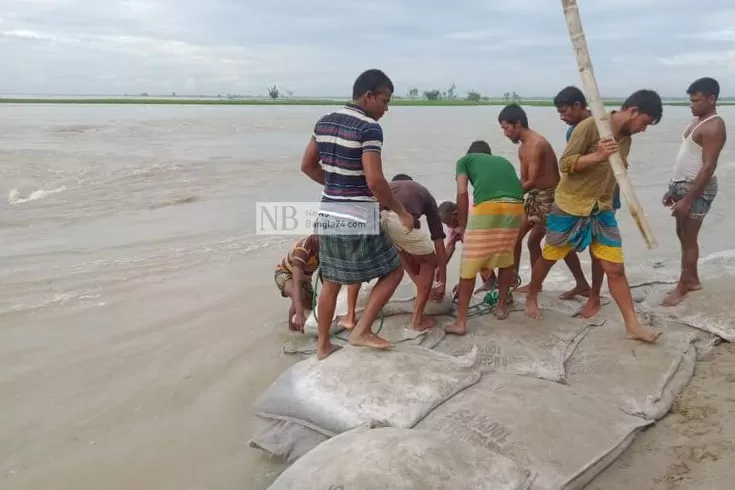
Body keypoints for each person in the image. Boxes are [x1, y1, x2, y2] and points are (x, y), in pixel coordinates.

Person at [523, 89, 664, 344]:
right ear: (634, 112)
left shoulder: (626, 139)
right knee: (549, 257)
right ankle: (532, 293)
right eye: (644, 123)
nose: (643, 129)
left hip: (602, 209)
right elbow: (566, 164)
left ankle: (632, 325)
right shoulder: (589, 127)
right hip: (569, 206)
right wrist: (597, 155)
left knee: (615, 269)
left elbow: (617, 172)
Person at [300, 68, 414, 360]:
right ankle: (362, 330)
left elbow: (308, 166)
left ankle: (323, 346)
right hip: (357, 215)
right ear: (368, 96)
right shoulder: (369, 128)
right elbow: (376, 181)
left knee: (332, 281)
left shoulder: (324, 122)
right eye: (385, 101)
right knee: (394, 270)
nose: (386, 108)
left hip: (328, 212)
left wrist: (338, 185)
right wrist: (401, 212)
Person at [497, 104, 591, 300]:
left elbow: (530, 181)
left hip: (549, 198)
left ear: (518, 124)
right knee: (519, 238)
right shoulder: (522, 148)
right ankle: (521, 280)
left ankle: (582, 284)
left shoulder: (537, 144)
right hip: (533, 197)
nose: (505, 133)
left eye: (507, 128)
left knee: (560, 244)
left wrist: (507, 197)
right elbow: (524, 181)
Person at [341, 173, 449, 332]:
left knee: (359, 264)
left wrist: (415, 278)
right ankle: (417, 321)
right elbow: (438, 242)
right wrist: (443, 281)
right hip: (394, 217)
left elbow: (399, 252)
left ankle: (350, 317)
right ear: (412, 182)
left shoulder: (388, 187)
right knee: (429, 260)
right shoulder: (422, 192)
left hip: (366, 218)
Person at [447, 140, 525, 334]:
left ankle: (461, 322)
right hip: (516, 206)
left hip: (490, 207)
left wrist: (464, 227)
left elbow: (462, 192)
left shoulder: (464, 160)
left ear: (471, 153)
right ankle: (500, 308)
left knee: (470, 263)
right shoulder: (503, 161)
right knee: (506, 256)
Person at [661, 77, 726, 306]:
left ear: (712, 98)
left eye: (696, 100)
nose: (692, 104)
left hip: (698, 190)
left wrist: (688, 199)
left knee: (689, 240)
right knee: (682, 235)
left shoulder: (714, 126)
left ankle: (683, 286)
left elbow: (708, 167)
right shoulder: (697, 121)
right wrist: (673, 189)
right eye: (690, 100)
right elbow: (688, 158)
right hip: (683, 185)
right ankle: (693, 279)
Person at [438, 200, 497, 294]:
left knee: (469, 241)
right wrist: (438, 271)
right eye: (446, 224)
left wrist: (463, 282)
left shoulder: (473, 213)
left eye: (448, 222)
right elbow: (450, 246)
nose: (448, 226)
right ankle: (490, 281)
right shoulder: (455, 224)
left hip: (496, 223)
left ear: (455, 214)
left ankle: (492, 281)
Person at [274, 234, 319, 332]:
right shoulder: (303, 249)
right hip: (285, 273)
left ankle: (301, 326)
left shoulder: (327, 248)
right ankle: (292, 331)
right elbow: (296, 284)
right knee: (299, 295)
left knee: (312, 308)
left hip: (305, 279)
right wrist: (300, 314)